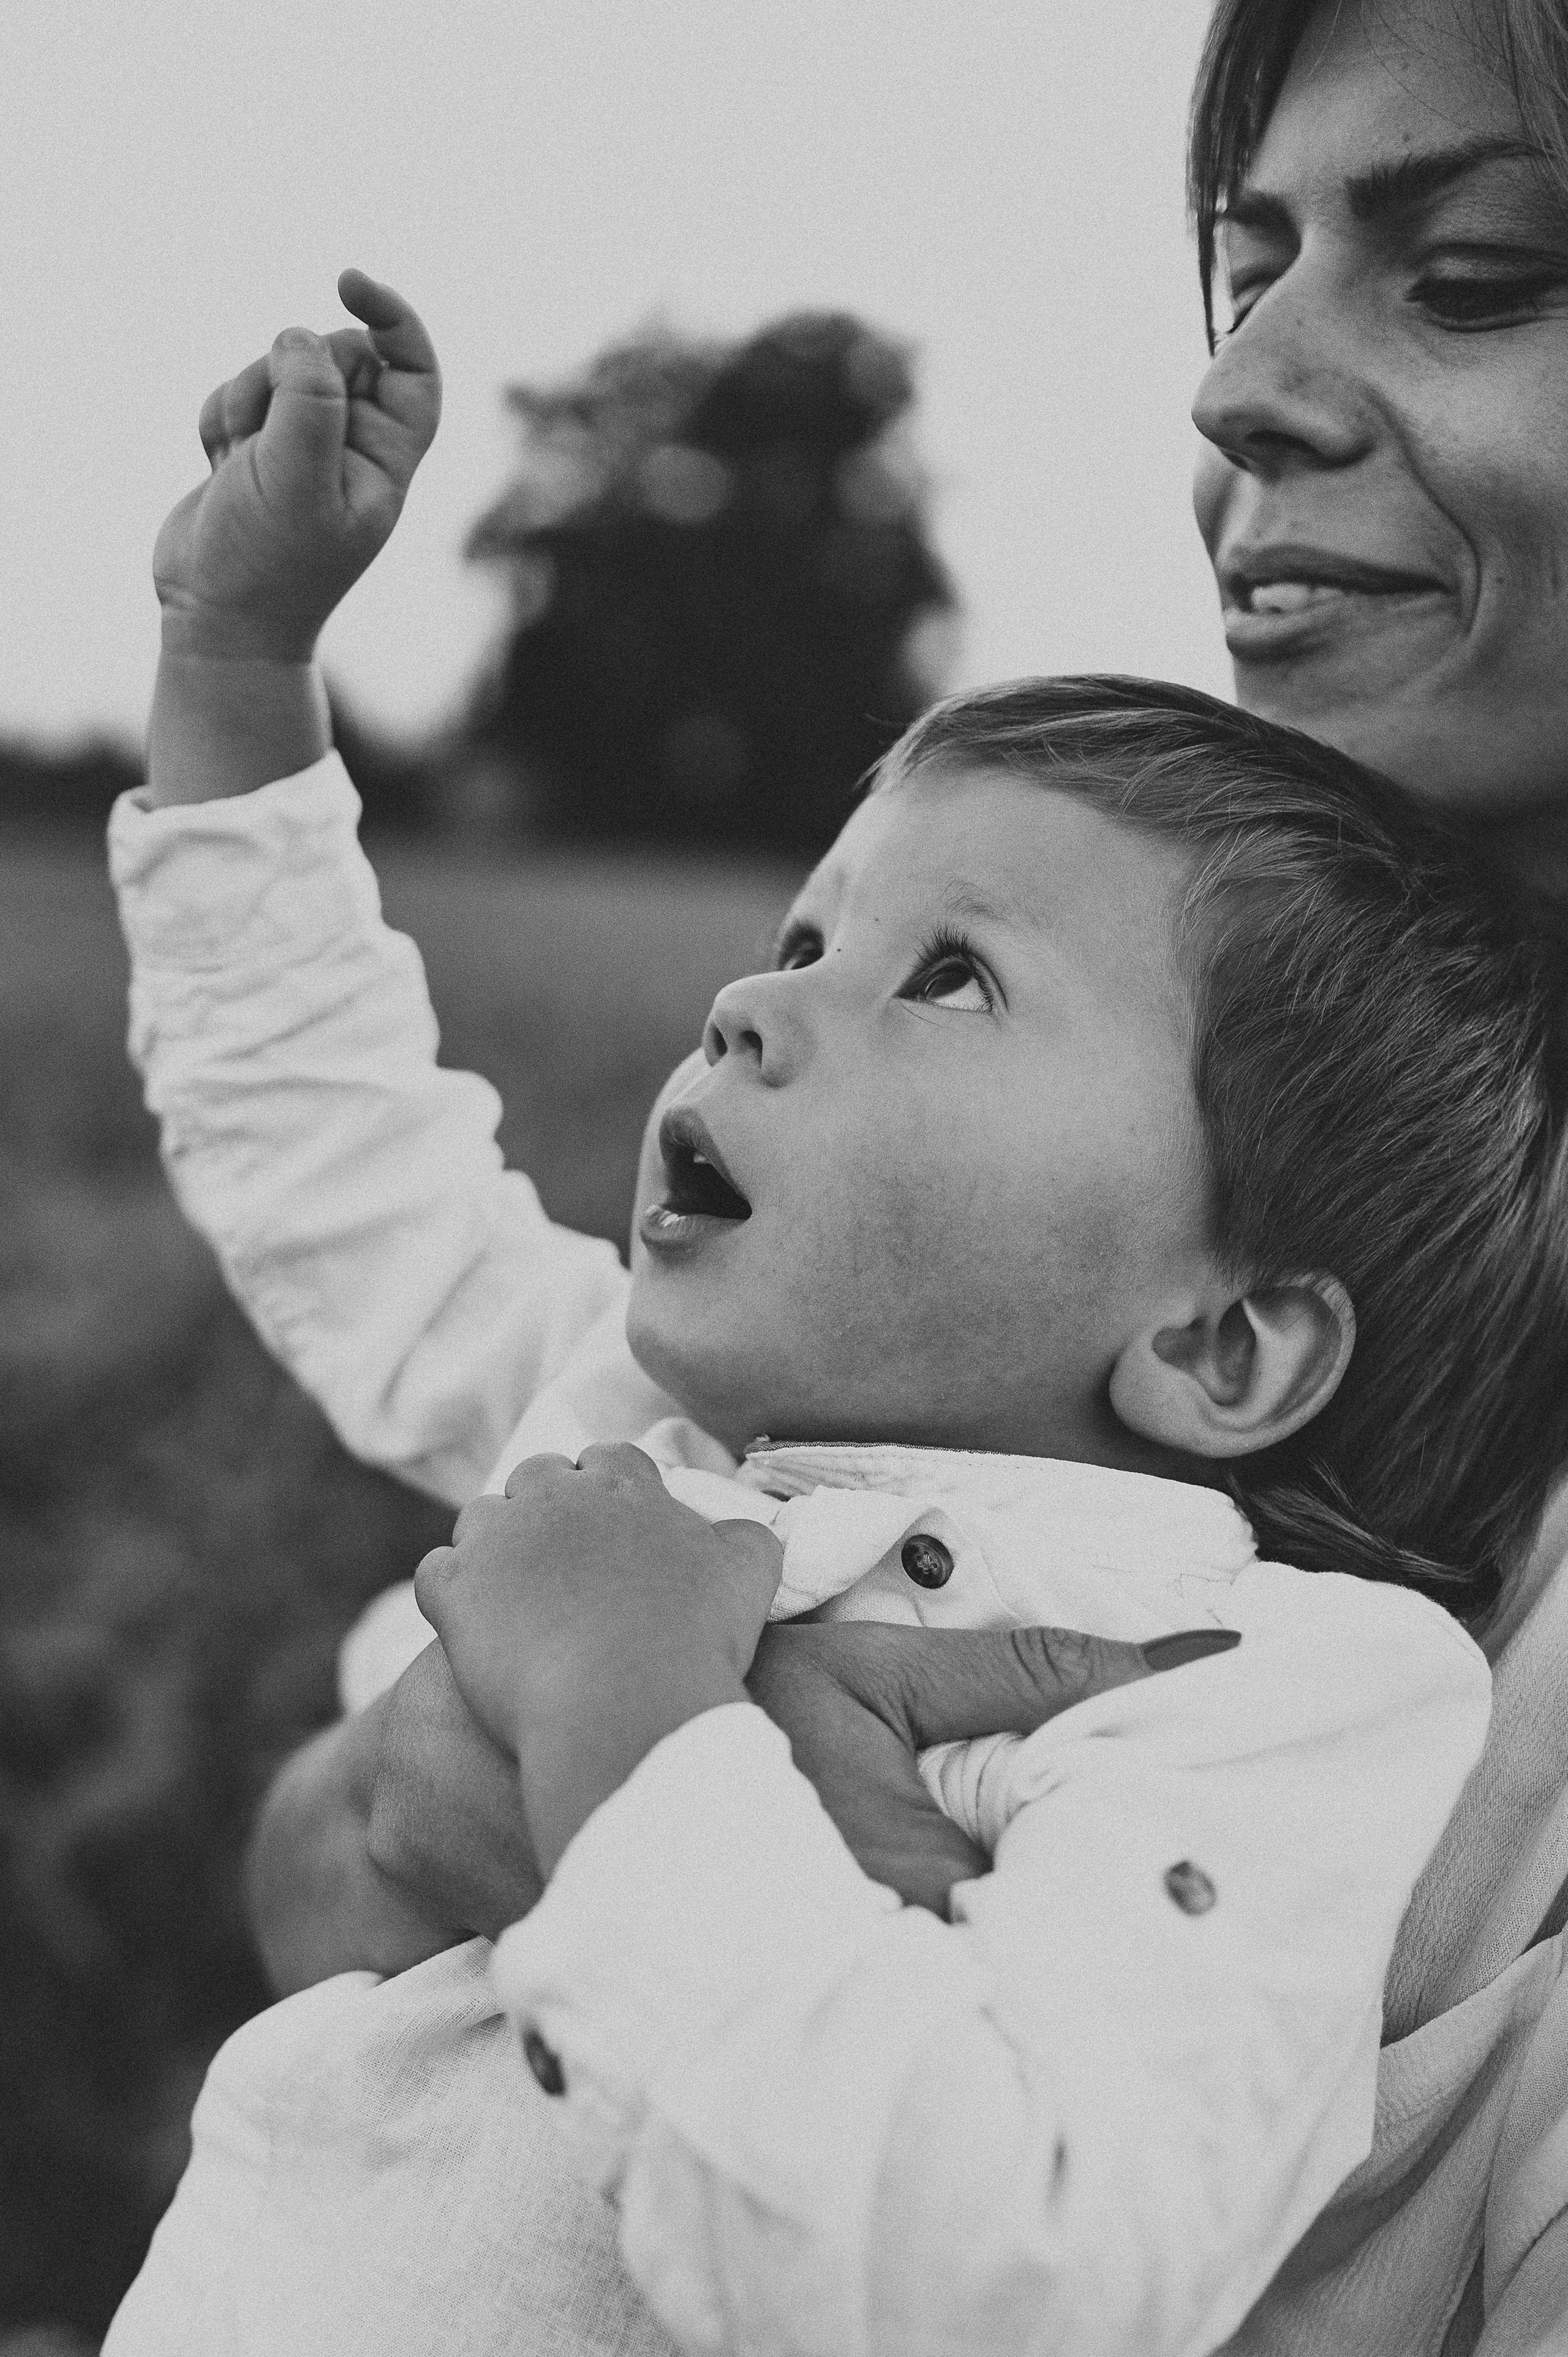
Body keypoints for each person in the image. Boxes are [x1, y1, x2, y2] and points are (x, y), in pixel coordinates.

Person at [98, 276, 1567, 2353]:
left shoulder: (1257, 1690)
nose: (755, 1002)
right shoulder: (625, 1410)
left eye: (944, 977)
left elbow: (1018, 2286)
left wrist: (628, 1719)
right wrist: (236, 661)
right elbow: (319, 1145)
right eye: (807, 931)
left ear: (1220, 1346)